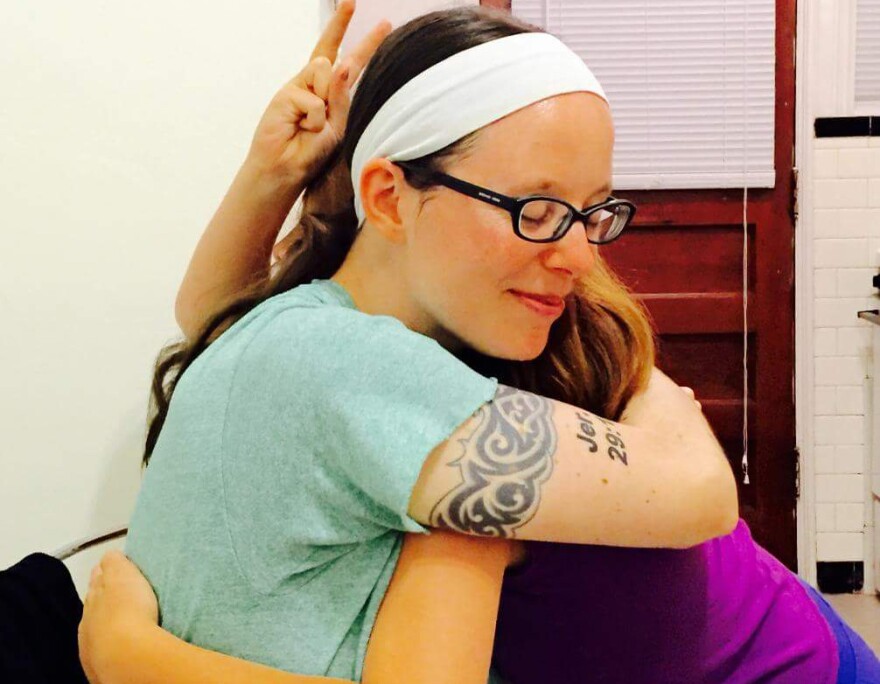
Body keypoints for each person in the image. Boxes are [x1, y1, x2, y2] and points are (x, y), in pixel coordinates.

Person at [77, 3, 880, 684]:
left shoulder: (447, 340)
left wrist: (133, 657)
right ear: (387, 197)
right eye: (534, 207)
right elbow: (221, 318)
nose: (579, 255)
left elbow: (222, 317)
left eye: (592, 211)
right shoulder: (348, 358)